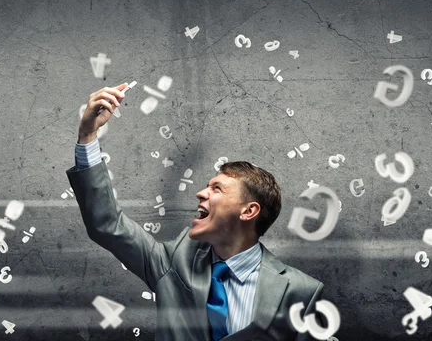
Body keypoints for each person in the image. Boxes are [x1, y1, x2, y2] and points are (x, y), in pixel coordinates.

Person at [66, 84, 324, 340]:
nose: (201, 193)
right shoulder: (171, 263)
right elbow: (107, 224)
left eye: (217, 188)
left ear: (248, 211)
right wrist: (88, 135)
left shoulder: (299, 291)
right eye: (206, 186)